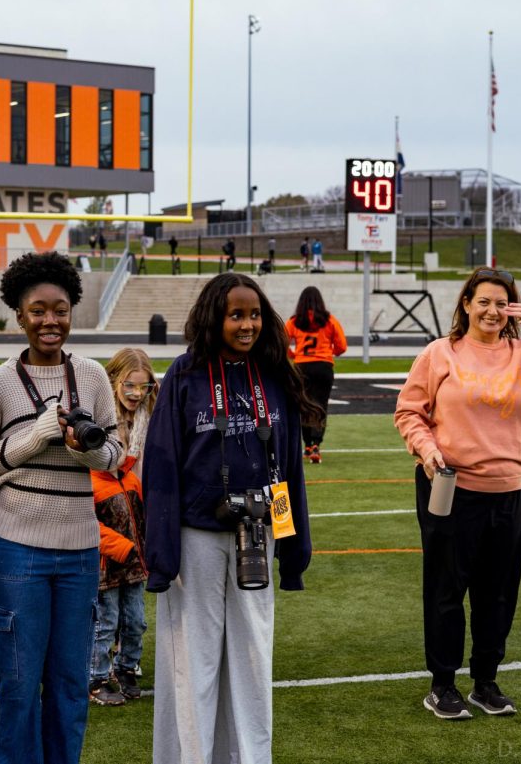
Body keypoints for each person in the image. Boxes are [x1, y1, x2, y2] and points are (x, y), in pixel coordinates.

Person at [143, 272, 318, 763]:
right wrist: (161, 555)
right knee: (192, 662)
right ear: (213, 317)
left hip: (257, 536)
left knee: (251, 662)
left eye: (255, 314)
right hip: (194, 538)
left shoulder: (274, 374)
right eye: (236, 314)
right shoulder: (184, 374)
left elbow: (287, 467)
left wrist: (293, 546)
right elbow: (160, 463)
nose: (247, 325)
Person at [0, 251, 123, 764]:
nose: (50, 320)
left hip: (78, 550)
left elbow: (115, 456)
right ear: (19, 314)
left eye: (60, 309)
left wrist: (85, 448)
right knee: (19, 682)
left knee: (72, 684)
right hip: (17, 550)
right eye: (38, 310)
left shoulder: (94, 376)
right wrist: (36, 437)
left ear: (73, 311)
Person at [394, 267, 521, 720]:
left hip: (508, 491)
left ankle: (485, 681)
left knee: (498, 593)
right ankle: (442, 684)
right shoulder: (441, 353)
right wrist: (427, 448)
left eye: (502, 303)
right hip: (450, 487)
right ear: (466, 304)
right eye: (484, 302)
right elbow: (408, 412)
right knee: (445, 590)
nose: (492, 311)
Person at [88, 347, 158, 708]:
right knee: (105, 620)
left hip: (133, 553)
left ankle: (126, 667)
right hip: (108, 560)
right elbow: (89, 522)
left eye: (143, 388)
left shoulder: (131, 473)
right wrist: (125, 547)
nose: (136, 394)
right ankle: (98, 675)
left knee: (135, 619)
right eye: (129, 386)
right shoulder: (100, 423)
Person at [285, 286, 347, 463]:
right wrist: (327, 352)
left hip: (302, 366)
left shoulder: (295, 321)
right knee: (320, 406)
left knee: (303, 406)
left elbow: (281, 342)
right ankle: (316, 445)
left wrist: (294, 354)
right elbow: (342, 346)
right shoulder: (329, 320)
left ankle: (306, 444)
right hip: (323, 366)